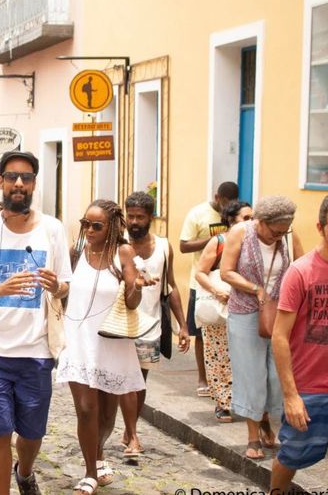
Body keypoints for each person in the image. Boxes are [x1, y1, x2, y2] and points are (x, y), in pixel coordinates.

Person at [0, 151, 72, 495]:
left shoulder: (52, 230)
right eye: (12, 177)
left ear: (35, 183)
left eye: (26, 177)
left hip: (36, 351)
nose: (19, 183)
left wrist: (56, 286)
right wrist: (0, 289)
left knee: (32, 433)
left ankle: (24, 471)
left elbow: (66, 284)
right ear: (1, 183)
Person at [55, 200, 153, 494]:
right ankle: (89, 472)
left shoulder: (123, 252)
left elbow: (132, 302)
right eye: (85, 223)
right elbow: (63, 294)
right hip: (79, 340)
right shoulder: (75, 253)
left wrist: (135, 285)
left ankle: (97, 455)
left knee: (108, 416)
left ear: (112, 226)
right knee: (87, 409)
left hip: (112, 342)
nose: (89, 230)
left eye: (96, 225)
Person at [271, 193, 328, 493]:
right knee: (291, 457)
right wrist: (290, 395)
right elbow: (280, 336)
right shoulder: (300, 272)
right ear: (321, 228)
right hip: (307, 387)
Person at [220, 195, 296, 460]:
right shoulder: (240, 232)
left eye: (283, 231)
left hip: (280, 311)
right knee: (252, 374)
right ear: (260, 222)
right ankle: (253, 436)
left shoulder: (288, 236)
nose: (279, 236)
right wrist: (255, 288)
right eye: (275, 231)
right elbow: (226, 272)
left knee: (277, 374)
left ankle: (267, 419)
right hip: (245, 311)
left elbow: (301, 267)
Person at [118, 192, 190, 457]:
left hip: (151, 325)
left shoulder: (163, 247)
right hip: (119, 325)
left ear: (151, 218)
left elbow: (170, 287)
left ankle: (130, 429)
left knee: (139, 382)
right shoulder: (117, 243)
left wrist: (183, 326)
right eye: (130, 216)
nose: (134, 221)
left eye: (140, 217)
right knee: (124, 380)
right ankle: (133, 436)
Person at [194, 200, 252, 423]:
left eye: (253, 218)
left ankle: (245, 402)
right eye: (246, 218)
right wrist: (216, 290)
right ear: (231, 220)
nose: (251, 222)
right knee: (218, 357)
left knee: (245, 357)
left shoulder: (254, 243)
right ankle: (223, 403)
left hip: (245, 308)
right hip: (220, 306)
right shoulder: (218, 242)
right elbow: (201, 272)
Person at [179, 181, 239, 398]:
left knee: (229, 334)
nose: (226, 208)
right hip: (202, 284)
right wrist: (213, 240)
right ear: (216, 196)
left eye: (230, 204)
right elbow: (184, 246)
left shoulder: (236, 216)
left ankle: (227, 381)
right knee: (201, 334)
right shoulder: (198, 214)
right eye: (224, 203)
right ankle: (203, 379)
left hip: (229, 285)